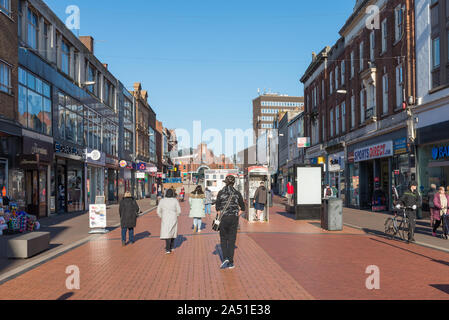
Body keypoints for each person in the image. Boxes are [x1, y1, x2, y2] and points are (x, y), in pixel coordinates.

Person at [215, 175, 245, 270]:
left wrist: (221, 215)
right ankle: (231, 262)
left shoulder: (220, 193)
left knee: (223, 239)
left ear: (225, 182)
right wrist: (237, 214)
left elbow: (217, 208)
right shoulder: (237, 193)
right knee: (232, 240)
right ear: (234, 183)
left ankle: (225, 259)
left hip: (223, 218)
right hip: (233, 218)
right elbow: (243, 208)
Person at [157, 189, 181, 254]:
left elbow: (158, 210)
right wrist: (177, 215)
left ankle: (168, 248)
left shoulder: (162, 201)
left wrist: (161, 216)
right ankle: (172, 246)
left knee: (167, 232)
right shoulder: (175, 200)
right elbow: (179, 210)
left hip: (165, 217)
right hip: (173, 217)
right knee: (173, 231)